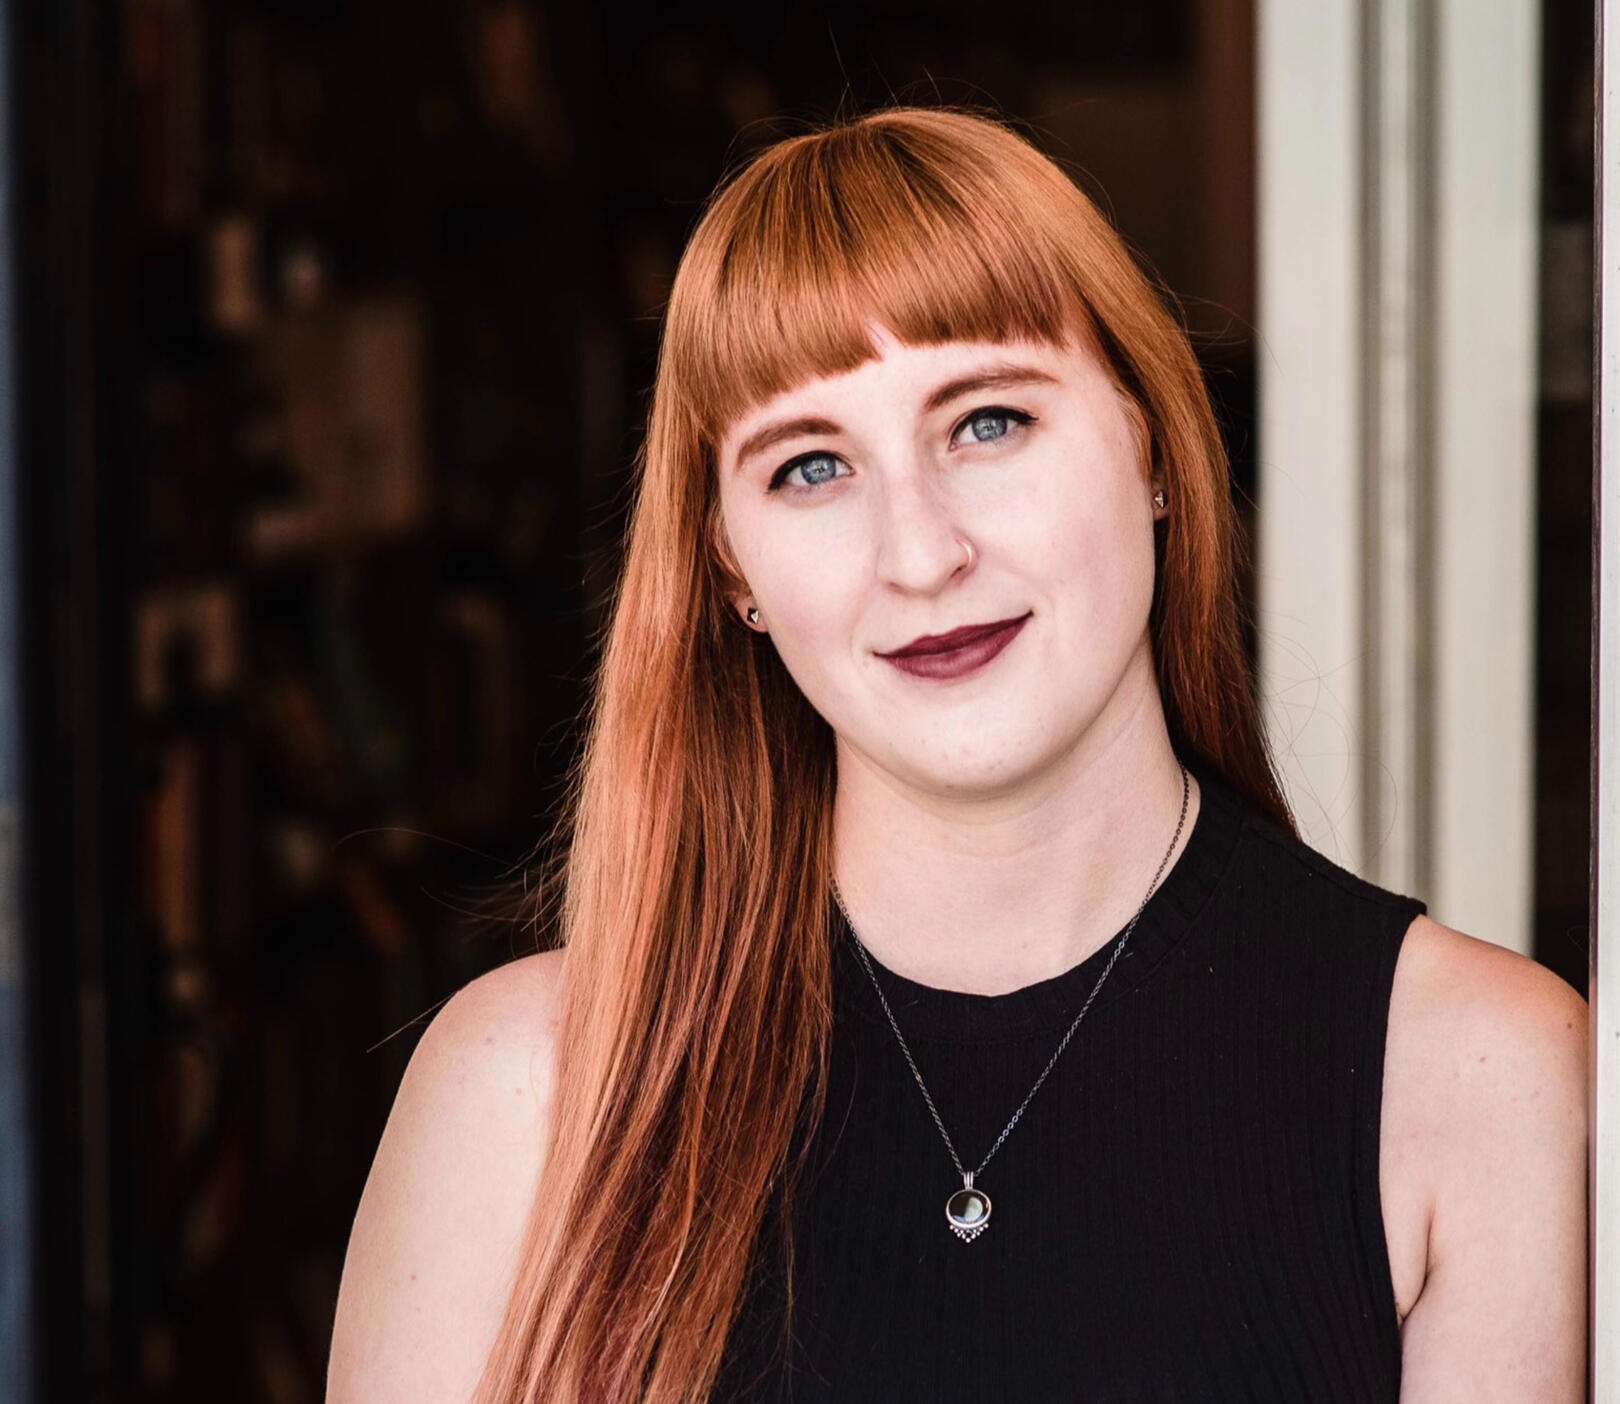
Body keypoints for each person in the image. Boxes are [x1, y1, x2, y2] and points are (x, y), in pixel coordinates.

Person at [324, 105, 1589, 1403]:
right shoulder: (524, 1097)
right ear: (734, 572)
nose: (921, 555)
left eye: (986, 422)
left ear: (1152, 446)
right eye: (811, 467)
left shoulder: (1474, 1077)